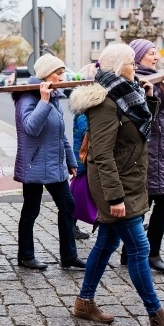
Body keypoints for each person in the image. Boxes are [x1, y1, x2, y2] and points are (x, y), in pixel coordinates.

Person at [68, 42, 164, 326]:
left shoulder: (126, 96)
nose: (136, 67)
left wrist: (147, 98)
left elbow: (135, 131)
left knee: (108, 242)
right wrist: (114, 197)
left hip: (129, 180)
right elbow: (102, 154)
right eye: (132, 63)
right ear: (119, 66)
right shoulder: (105, 102)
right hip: (115, 185)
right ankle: (156, 313)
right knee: (139, 246)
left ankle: (84, 302)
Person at [13, 54, 86, 271]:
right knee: (31, 210)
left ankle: (69, 256)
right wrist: (43, 102)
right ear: (46, 75)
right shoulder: (27, 97)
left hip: (55, 164)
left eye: (62, 72)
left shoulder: (54, 96)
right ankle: (26, 256)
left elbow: (60, 133)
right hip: (34, 164)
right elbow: (31, 128)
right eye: (58, 73)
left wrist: (71, 161)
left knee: (68, 206)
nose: (62, 77)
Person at [120, 39, 164, 275]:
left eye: (156, 52)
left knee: (146, 203)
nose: (155, 56)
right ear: (136, 57)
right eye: (150, 53)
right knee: (158, 202)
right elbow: (146, 117)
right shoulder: (139, 82)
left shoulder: (156, 77)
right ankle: (150, 253)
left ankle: (131, 252)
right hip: (150, 152)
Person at [70, 64, 99, 240]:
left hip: (85, 162)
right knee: (80, 196)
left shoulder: (87, 107)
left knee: (79, 196)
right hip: (84, 162)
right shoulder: (83, 109)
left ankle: (72, 226)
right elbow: (87, 132)